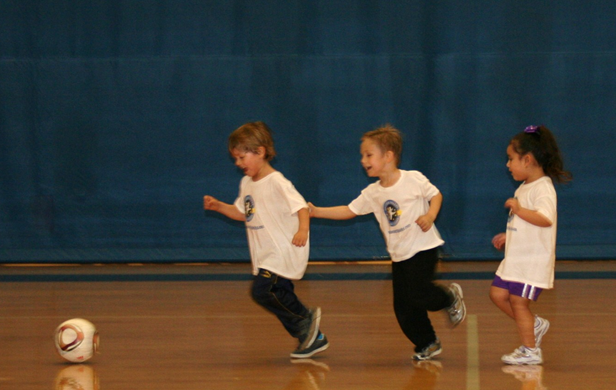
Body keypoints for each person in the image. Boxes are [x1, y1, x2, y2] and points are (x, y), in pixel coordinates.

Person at [309, 124, 465, 361]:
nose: (363, 160)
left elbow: (436, 195)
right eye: (362, 155)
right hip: (400, 255)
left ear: (389, 156)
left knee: (419, 293)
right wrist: (316, 211)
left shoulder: (413, 179)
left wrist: (431, 215)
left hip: (423, 248)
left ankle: (449, 297)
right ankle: (428, 342)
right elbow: (349, 210)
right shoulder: (373, 193)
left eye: (368, 155)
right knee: (403, 307)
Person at [203, 121, 328, 359]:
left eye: (242, 157)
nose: (238, 164)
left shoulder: (277, 181)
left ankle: (306, 319)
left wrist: (302, 230)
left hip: (281, 251)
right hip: (265, 255)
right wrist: (219, 206)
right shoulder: (247, 183)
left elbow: (301, 207)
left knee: (262, 291)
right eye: (235, 159)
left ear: (260, 152)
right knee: (279, 295)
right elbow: (242, 213)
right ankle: (313, 337)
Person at [491, 125, 572, 365]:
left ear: (527, 160)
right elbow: (527, 222)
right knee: (497, 294)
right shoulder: (525, 186)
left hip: (531, 261)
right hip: (518, 257)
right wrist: (510, 235)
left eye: (511, 159)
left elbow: (545, 218)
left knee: (518, 302)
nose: (508, 164)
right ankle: (534, 325)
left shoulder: (544, 188)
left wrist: (519, 209)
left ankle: (530, 350)